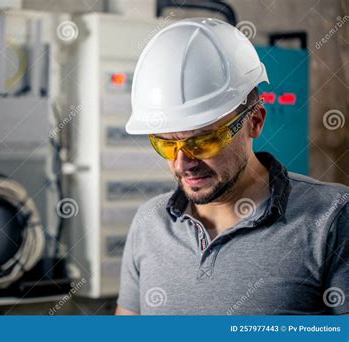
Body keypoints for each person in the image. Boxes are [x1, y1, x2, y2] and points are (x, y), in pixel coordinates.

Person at [115, 18, 348, 315]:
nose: (181, 162)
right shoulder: (149, 223)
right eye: (166, 144)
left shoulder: (332, 218)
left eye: (203, 141)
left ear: (255, 121)